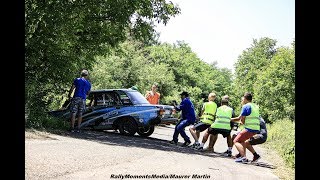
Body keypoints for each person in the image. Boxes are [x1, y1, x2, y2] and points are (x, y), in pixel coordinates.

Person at [231, 92, 261, 163]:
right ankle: (252, 156)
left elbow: (240, 119)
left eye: (243, 99)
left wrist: (230, 119)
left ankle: (243, 157)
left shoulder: (246, 106)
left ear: (244, 98)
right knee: (242, 140)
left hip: (249, 128)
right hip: (256, 128)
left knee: (236, 141)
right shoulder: (255, 106)